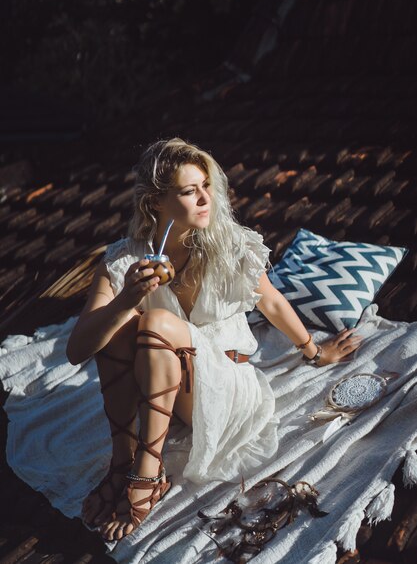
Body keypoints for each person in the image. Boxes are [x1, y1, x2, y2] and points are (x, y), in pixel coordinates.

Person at [66, 137, 362, 542]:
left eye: (207, 185)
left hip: (227, 389)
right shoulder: (126, 259)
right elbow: (76, 350)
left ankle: (147, 472)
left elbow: (271, 303)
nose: (206, 198)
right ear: (155, 203)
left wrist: (314, 352)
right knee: (118, 324)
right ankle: (122, 461)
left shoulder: (231, 245)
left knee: (154, 322)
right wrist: (127, 297)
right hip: (163, 389)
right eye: (190, 191)